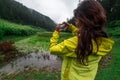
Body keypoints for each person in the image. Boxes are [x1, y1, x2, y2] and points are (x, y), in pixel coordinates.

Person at [49, 0, 114, 80]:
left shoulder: (76, 43)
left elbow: (52, 49)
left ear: (83, 20)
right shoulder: (103, 41)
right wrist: (71, 27)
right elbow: (86, 35)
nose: (76, 23)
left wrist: (56, 32)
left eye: (77, 20)